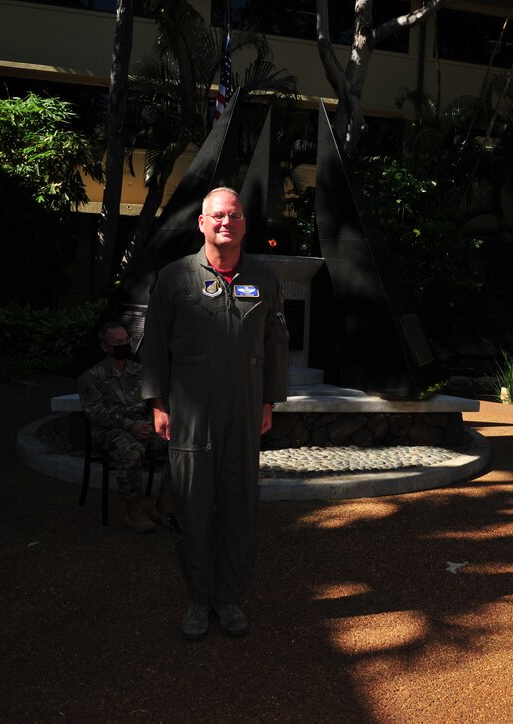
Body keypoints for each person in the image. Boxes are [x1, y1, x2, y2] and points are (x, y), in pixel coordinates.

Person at [141, 187, 289, 641]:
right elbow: (154, 346)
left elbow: (275, 346)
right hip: (189, 414)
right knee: (192, 507)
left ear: (244, 224)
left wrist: (267, 402)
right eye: (218, 215)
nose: (227, 222)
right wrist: (158, 403)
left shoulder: (264, 279)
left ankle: (228, 599)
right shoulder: (174, 278)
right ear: (201, 224)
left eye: (235, 215)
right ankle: (197, 599)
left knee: (239, 508)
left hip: (244, 413)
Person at [77, 321, 172, 534]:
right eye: (118, 342)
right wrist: (131, 426)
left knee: (179, 446)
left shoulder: (139, 371)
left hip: (142, 427)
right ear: (105, 347)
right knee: (130, 450)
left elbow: (154, 400)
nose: (125, 345)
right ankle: (133, 512)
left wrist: (150, 423)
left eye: (127, 340)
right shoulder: (91, 378)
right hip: (108, 431)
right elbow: (95, 413)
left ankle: (165, 505)